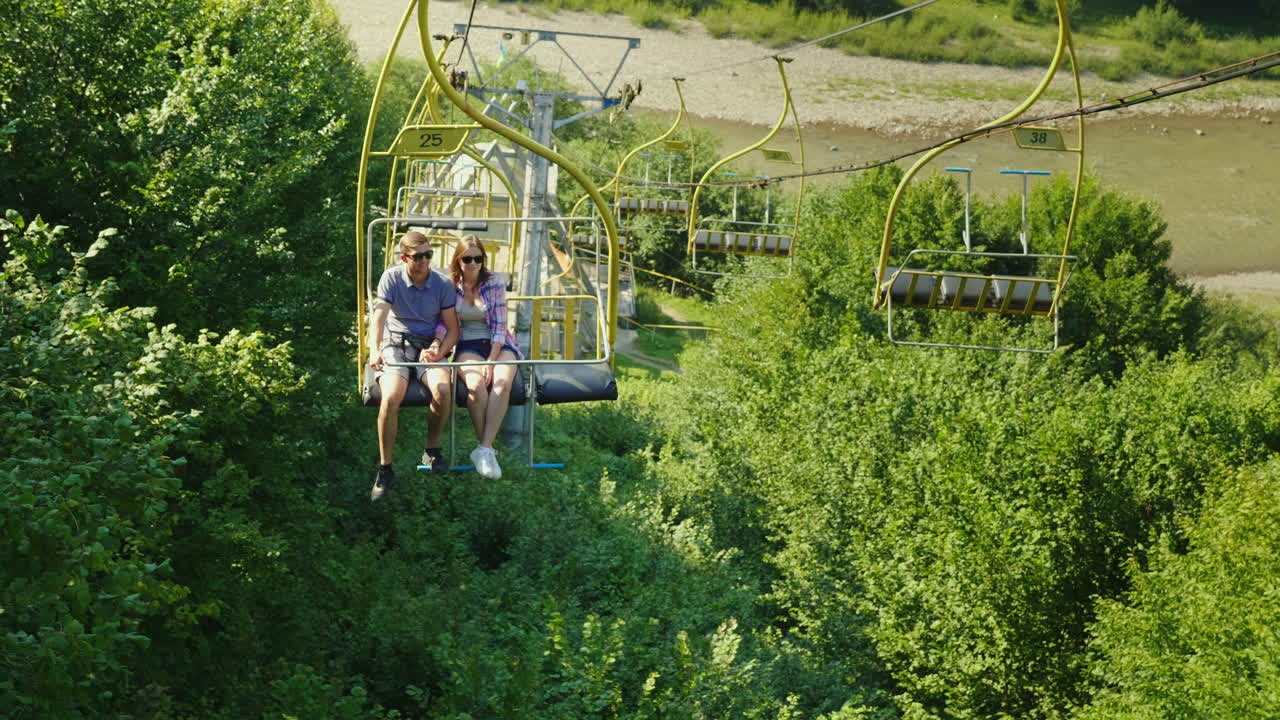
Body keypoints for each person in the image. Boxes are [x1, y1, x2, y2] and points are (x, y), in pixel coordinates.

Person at [368, 231, 459, 501]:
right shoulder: (392, 278)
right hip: (395, 344)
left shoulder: (442, 284)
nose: (424, 261)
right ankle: (385, 468)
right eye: (418, 257)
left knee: (443, 390)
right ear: (404, 258)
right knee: (390, 397)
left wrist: (439, 350)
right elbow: (379, 317)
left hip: (427, 346)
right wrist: (375, 349)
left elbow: (453, 329)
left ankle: (431, 451)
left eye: (428, 255)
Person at [441, 235, 521, 480]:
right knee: (476, 386)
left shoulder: (494, 282)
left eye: (478, 258)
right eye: (468, 259)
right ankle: (486, 449)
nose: (473, 263)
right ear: (458, 260)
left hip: (499, 344)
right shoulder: (449, 286)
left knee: (501, 383)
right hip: (468, 345)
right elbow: (444, 323)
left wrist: (492, 361)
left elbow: (499, 324)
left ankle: (485, 449)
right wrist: (437, 346)